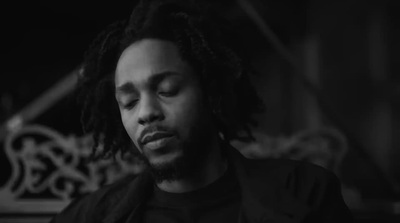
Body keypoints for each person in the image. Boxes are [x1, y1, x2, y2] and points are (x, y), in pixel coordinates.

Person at [51, 0, 353, 222]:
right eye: (129, 102)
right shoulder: (89, 216)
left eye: (166, 90)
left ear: (210, 91)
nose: (146, 113)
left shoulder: (307, 193)